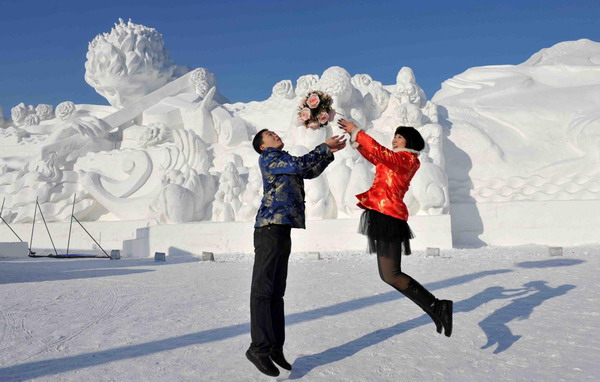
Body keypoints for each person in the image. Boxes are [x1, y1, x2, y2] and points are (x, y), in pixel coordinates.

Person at [337, 119, 453, 337]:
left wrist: (357, 131)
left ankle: (438, 307)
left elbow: (380, 152)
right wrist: (356, 141)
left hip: (389, 217)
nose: (395, 139)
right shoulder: (395, 160)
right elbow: (375, 156)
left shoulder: (408, 159)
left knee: (391, 274)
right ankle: (438, 308)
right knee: (388, 275)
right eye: (395, 136)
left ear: (410, 141)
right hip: (382, 214)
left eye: (399, 136)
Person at [246, 129, 346, 377]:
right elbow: (300, 164)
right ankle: (258, 348)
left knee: (276, 293)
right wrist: (323, 146)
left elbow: (308, 171)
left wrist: (327, 154)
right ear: (262, 146)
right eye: (269, 134)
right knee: (262, 291)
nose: (275, 135)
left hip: (282, 229)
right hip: (268, 229)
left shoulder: (284, 160)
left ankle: (275, 347)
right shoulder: (269, 158)